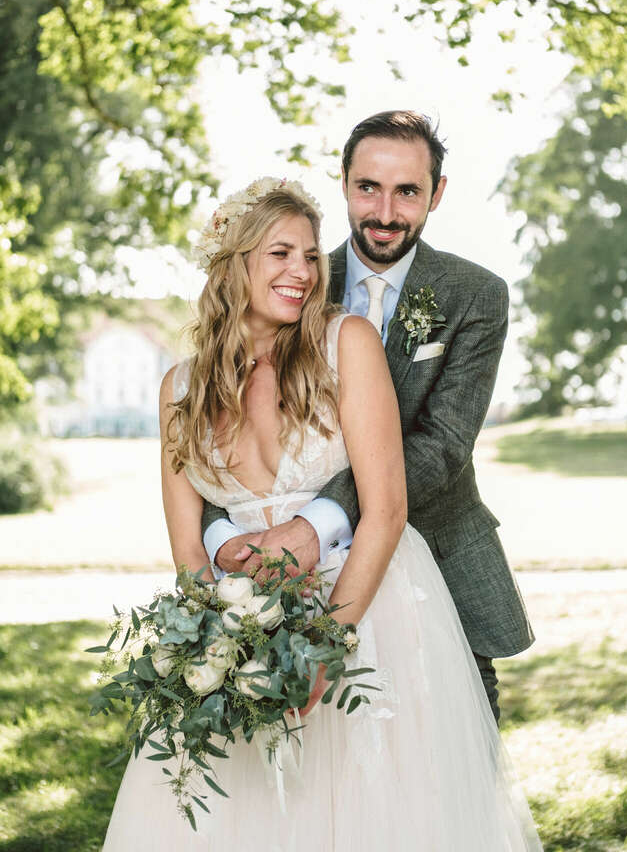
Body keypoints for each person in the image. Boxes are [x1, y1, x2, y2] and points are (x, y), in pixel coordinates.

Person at [102, 178, 542, 850]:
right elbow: (188, 552)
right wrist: (227, 648)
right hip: (246, 621)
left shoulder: (346, 344)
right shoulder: (179, 388)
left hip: (369, 608)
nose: (303, 272)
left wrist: (326, 645)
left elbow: (386, 509)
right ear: (233, 263)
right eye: (280, 254)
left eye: (311, 256)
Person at [202, 111, 534, 721]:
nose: (384, 212)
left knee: (460, 738)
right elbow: (219, 431)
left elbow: (442, 444)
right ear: (345, 182)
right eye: (368, 188)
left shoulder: (476, 295)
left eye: (407, 191)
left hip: (437, 554)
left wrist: (317, 522)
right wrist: (225, 540)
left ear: (436, 193)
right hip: (293, 579)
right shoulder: (291, 282)